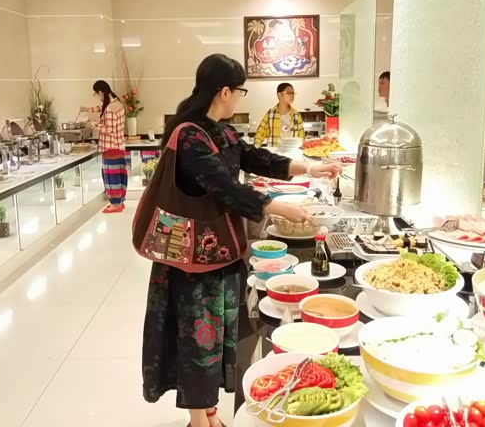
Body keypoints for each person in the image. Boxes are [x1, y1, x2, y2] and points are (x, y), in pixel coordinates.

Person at [142, 54, 339, 427]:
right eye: (240, 91)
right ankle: (198, 421)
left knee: (215, 337)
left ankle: (209, 412)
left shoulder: (221, 131)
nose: (240, 98)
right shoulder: (189, 136)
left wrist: (310, 167)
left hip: (218, 252)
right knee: (197, 340)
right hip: (193, 259)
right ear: (225, 91)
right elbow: (225, 188)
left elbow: (258, 159)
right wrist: (278, 208)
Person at [79, 80, 127, 213]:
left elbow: (110, 130)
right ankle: (120, 202)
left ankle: (115, 204)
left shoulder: (110, 108)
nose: (97, 96)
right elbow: (101, 107)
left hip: (110, 148)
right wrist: (86, 109)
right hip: (118, 146)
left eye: (96, 94)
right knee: (119, 175)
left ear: (101, 92)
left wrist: (93, 124)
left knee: (111, 177)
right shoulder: (117, 103)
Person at [254, 82, 305, 147]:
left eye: (293, 93)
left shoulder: (296, 115)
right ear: (279, 95)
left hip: (291, 151)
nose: (292, 96)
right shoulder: (270, 114)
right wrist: (255, 148)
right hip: (273, 151)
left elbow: (301, 137)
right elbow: (260, 133)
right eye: (289, 93)